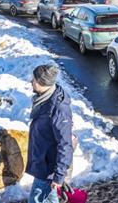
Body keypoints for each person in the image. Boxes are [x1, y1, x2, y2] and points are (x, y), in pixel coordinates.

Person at [27, 65, 73, 203]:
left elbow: (65, 144)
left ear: (42, 82)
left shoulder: (58, 108)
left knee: (36, 199)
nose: (31, 81)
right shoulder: (45, 99)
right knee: (49, 197)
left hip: (48, 167)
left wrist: (59, 176)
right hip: (43, 162)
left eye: (34, 79)